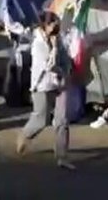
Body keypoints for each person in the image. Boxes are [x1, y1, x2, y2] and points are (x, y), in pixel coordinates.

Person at [16, 12, 73, 170]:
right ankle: (25, 135)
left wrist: (67, 69)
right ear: (45, 26)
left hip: (60, 84)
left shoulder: (57, 38)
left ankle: (62, 156)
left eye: (57, 25)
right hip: (42, 85)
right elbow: (50, 66)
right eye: (53, 25)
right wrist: (54, 49)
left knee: (62, 120)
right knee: (41, 120)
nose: (57, 28)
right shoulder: (38, 44)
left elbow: (64, 57)